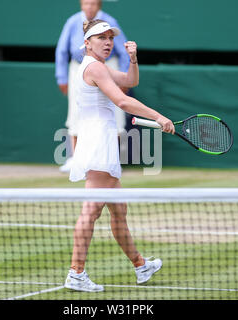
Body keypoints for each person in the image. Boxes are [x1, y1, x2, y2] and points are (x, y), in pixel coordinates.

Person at [63, 19, 175, 292]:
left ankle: (140, 265)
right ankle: (76, 272)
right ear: (87, 43)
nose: (108, 41)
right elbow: (123, 101)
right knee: (90, 211)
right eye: (101, 37)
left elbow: (129, 81)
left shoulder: (99, 67)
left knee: (118, 211)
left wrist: (133, 59)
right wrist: (159, 117)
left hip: (102, 140)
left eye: (110, 37)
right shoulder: (93, 68)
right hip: (98, 142)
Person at [55, 0, 130, 172]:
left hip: (109, 66)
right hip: (79, 69)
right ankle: (76, 159)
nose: (89, 7)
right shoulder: (72, 21)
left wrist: (126, 74)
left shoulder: (110, 21)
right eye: (86, 3)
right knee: (76, 114)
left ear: (99, 5)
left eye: (93, 4)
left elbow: (122, 49)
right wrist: (62, 77)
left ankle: (112, 160)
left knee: (114, 115)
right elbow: (61, 50)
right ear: (81, 4)